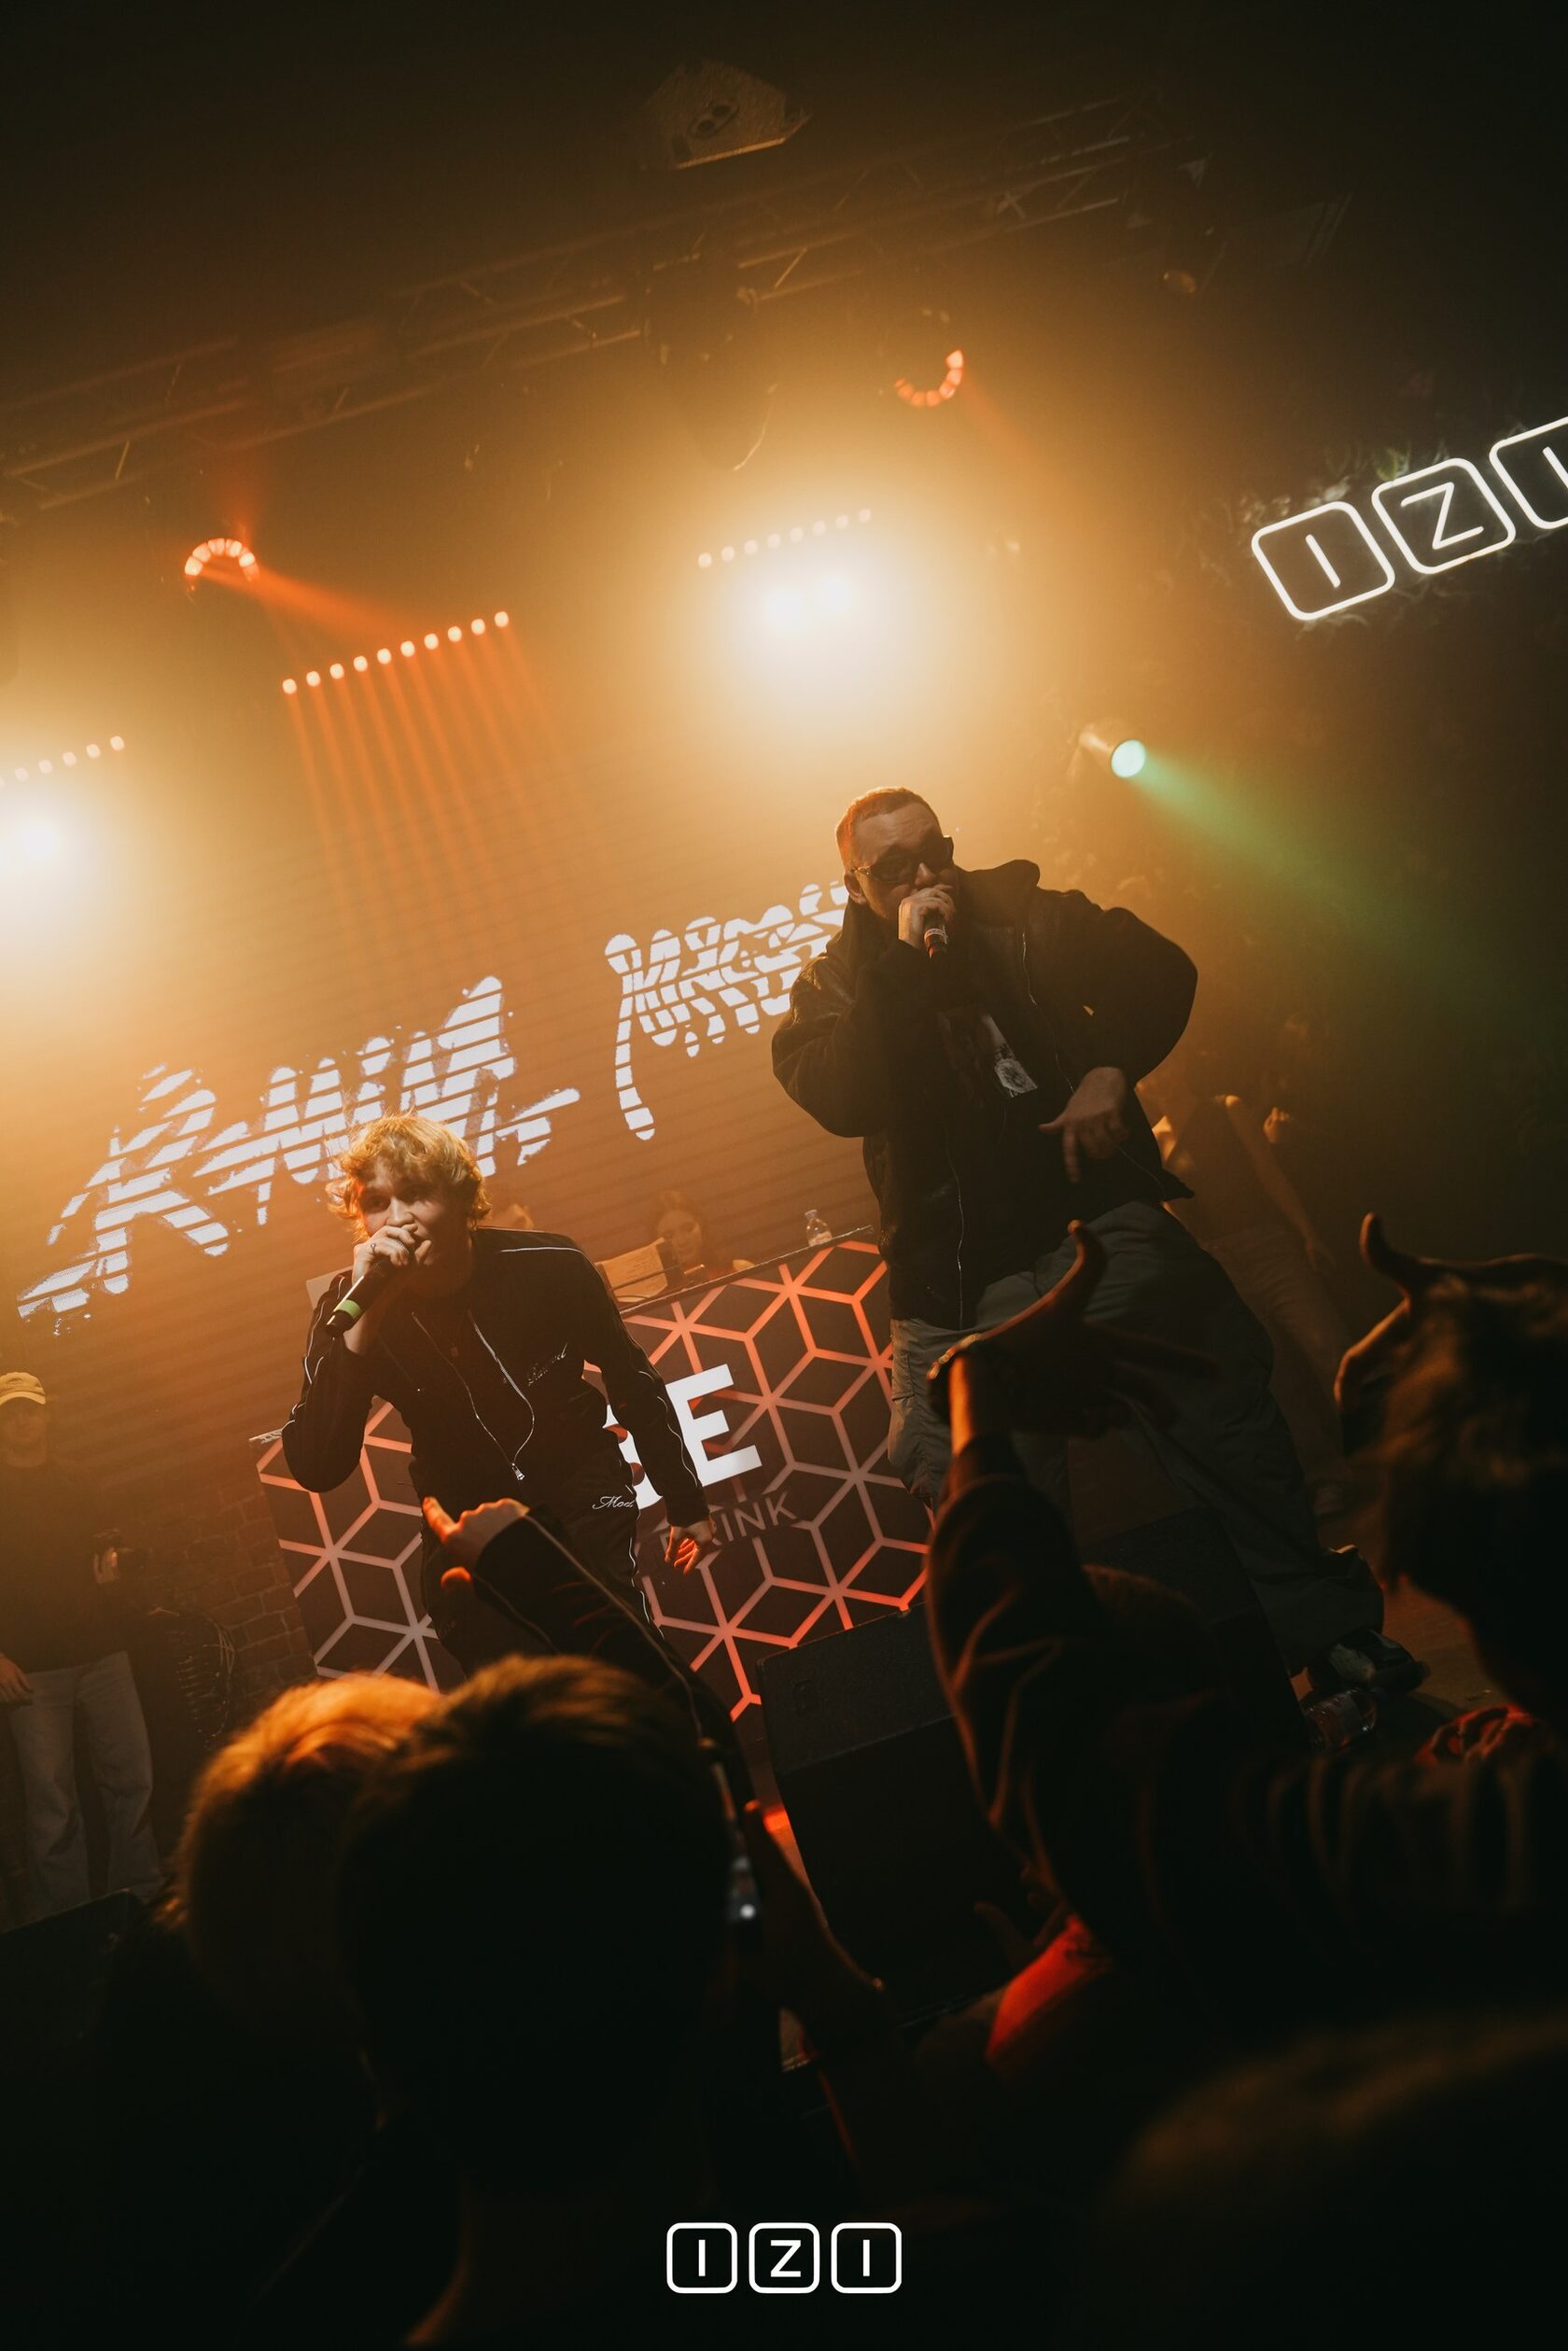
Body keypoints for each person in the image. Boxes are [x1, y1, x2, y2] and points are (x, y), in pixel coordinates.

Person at [772, 788, 1414, 1692]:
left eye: (935, 848)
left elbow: (1160, 969)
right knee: (975, 1499)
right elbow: (843, 1094)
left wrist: (1112, 1065)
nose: (924, 873)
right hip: (960, 1283)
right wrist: (903, 965)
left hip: (1096, 1227)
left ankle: (1332, 1635)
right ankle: (1068, 1713)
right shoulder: (838, 984)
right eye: (894, 867)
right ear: (854, 884)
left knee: (1229, 1429)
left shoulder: (1022, 912)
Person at [917, 1217, 1568, 2036]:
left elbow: (1082, 1754)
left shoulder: (1467, 1850)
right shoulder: (1500, 1811)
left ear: (1456, 1583)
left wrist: (975, 1387)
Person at [280, 1115, 735, 1762]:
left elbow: (631, 1378)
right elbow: (317, 1464)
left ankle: (685, 1785)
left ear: (463, 1197)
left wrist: (686, 1500)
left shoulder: (549, 1264)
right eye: (376, 1202)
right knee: (522, 1719)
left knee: (615, 1669)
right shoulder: (349, 1307)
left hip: (581, 1491)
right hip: (465, 1523)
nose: (398, 1218)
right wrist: (364, 1325)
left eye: (417, 1193)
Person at [1139, 1040, 1352, 1515]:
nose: (1159, 1079)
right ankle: (1325, 1476)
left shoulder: (1226, 1108)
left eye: (1164, 1067)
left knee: (1329, 1346)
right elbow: (1173, 1218)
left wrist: (1307, 1233)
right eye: (1149, 1075)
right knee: (1276, 1376)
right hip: (1221, 1266)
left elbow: (1268, 1173)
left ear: (1181, 1063)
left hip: (1268, 1246)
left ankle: (1383, 1442)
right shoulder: (1155, 1142)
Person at [0, 1370, 161, 1919]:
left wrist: (114, 1568)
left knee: (132, 1780)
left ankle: (139, 1902)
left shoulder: (77, 1480)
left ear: (47, 1414)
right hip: (31, 1669)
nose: (22, 1421)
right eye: (10, 1413)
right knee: (53, 1805)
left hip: (103, 1651)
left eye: (29, 1409)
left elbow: (108, 1547)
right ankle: (67, 1928)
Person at [649, 1189, 751, 1286]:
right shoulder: (655, 1295)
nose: (681, 1241)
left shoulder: (741, 1271)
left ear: (701, 1224)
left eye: (688, 1228)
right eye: (668, 1236)